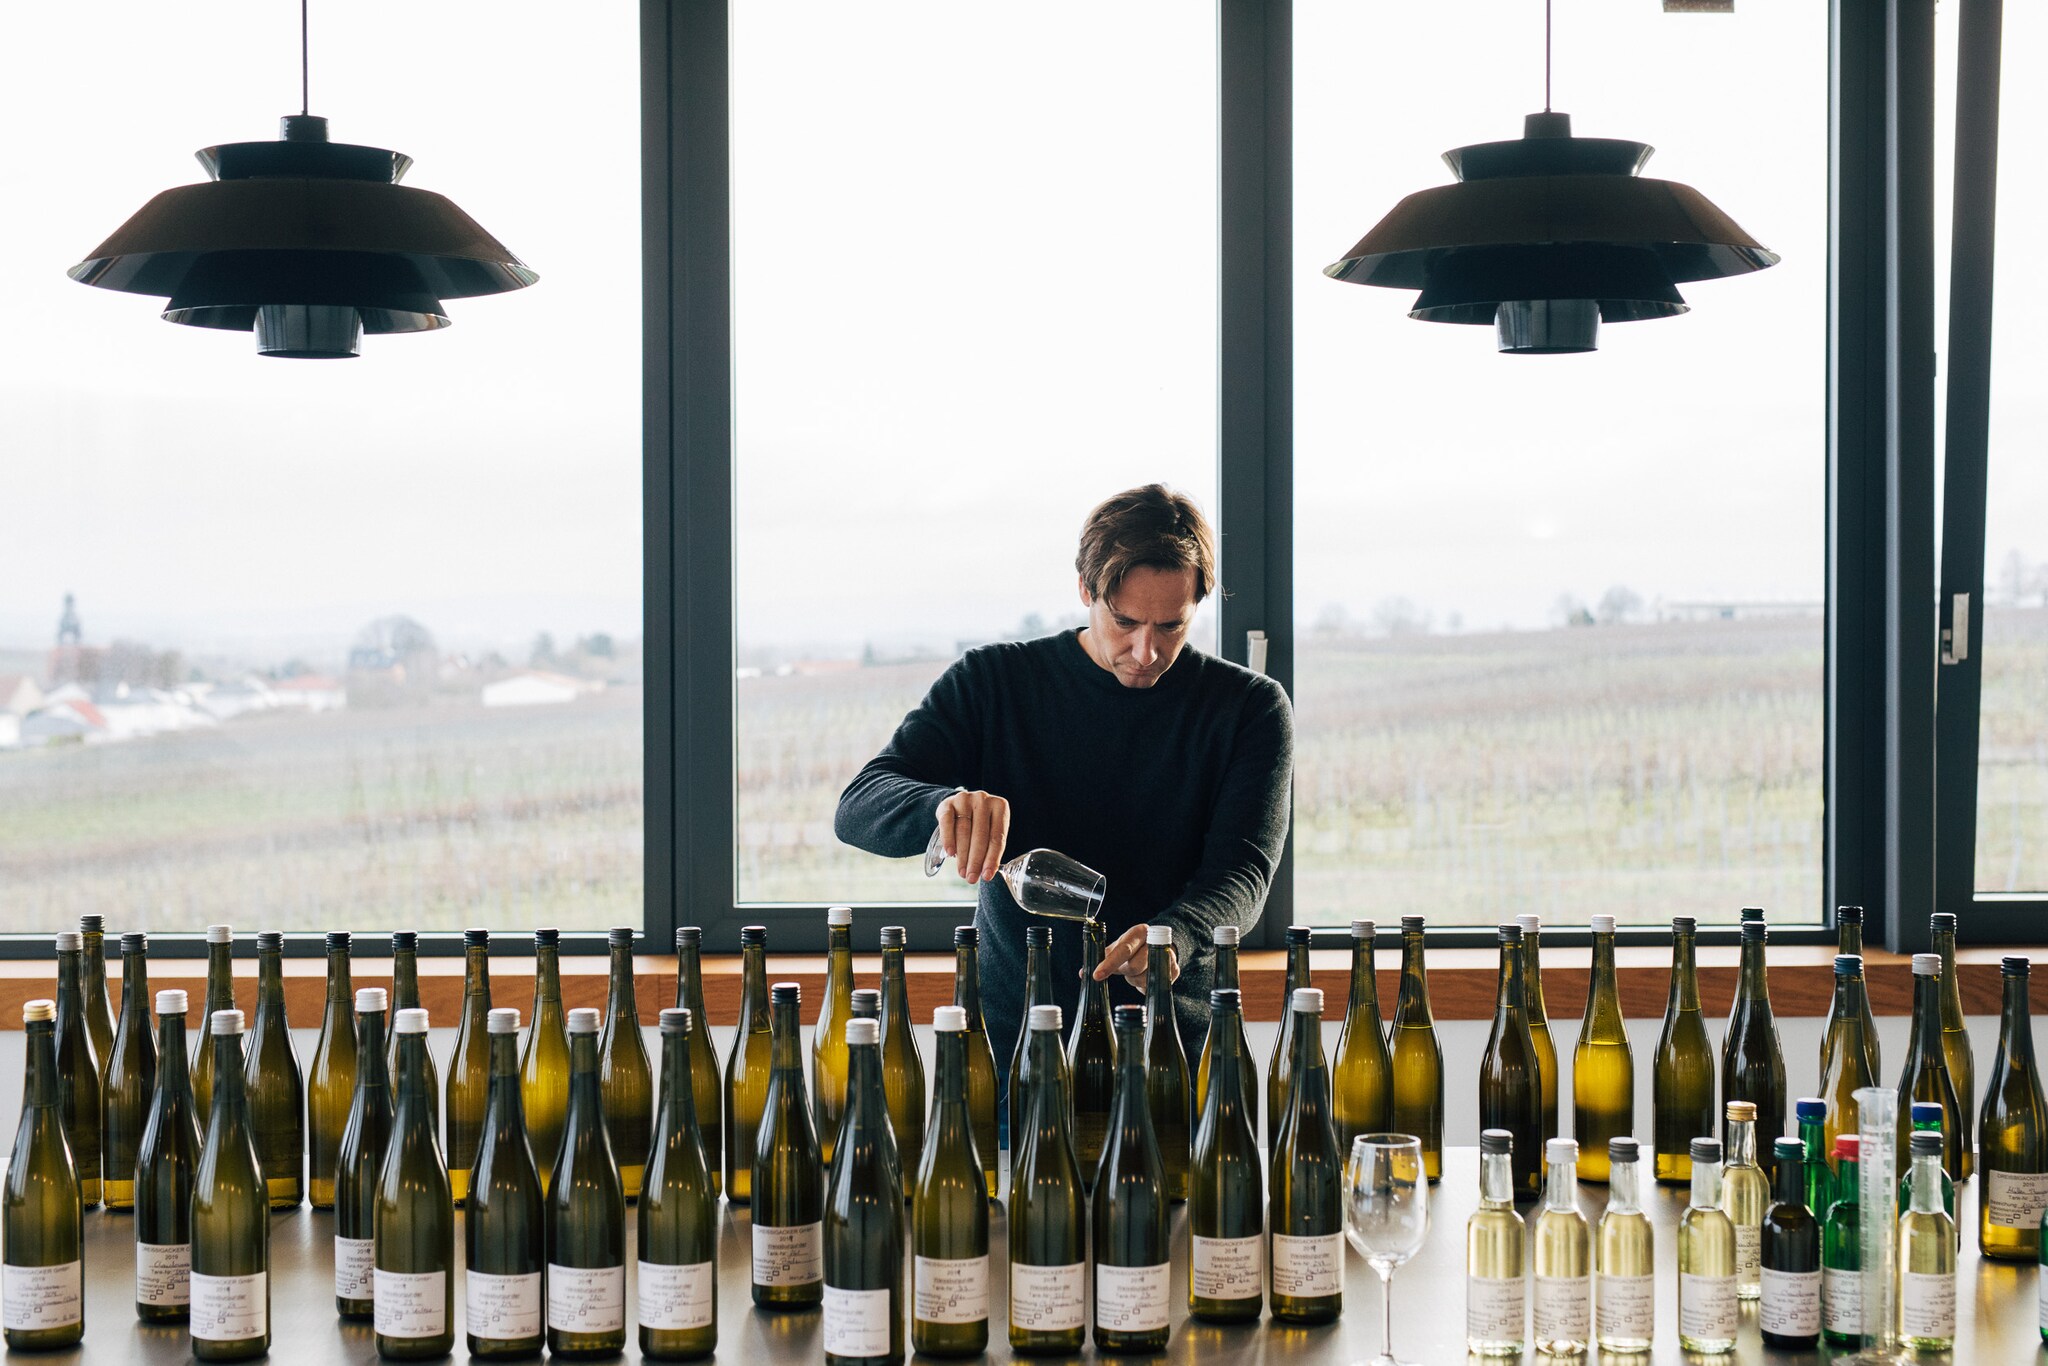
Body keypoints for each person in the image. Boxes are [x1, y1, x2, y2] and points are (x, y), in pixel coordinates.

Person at [833, 484, 1293, 1132]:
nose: (1147, 651)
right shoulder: (994, 683)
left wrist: (1176, 936)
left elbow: (1243, 870)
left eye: (1171, 625)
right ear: (1086, 590)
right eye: (1127, 622)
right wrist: (942, 807)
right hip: (1016, 1060)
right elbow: (857, 805)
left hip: (1172, 1059)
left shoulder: (1249, 708)